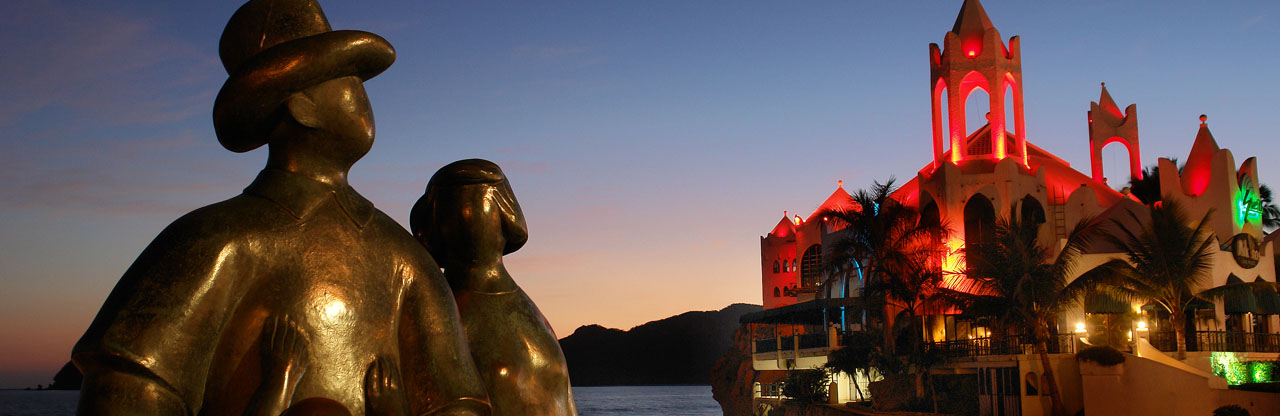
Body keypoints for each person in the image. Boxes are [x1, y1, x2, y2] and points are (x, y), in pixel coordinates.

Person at [72, 1, 489, 414]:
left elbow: (457, 401)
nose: (364, 97)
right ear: (302, 105)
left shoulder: (406, 260)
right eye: (349, 81)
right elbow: (127, 386)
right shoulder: (217, 240)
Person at [411, 160, 577, 416]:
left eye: (477, 206)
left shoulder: (525, 314)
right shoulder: (441, 314)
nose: (470, 219)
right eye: (460, 210)